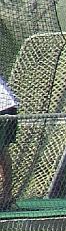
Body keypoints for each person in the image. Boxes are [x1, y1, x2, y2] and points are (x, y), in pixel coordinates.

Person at [0, 74, 18, 211]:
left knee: (2, 151)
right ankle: (6, 197)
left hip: (4, 108)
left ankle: (6, 197)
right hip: (8, 107)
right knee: (2, 151)